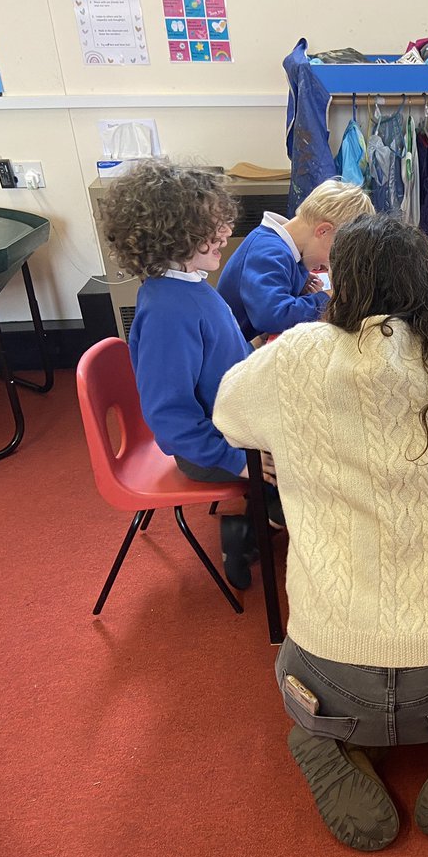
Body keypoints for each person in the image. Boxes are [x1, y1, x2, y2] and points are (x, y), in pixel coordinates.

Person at [213, 215, 428, 851]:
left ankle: (332, 740)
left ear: (337, 289)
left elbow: (229, 413)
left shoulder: (294, 355)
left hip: (331, 678)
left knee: (304, 683)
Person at [99, 159, 266, 590]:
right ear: (170, 235)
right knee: (315, 464)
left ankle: (262, 518)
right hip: (212, 451)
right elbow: (170, 417)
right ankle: (253, 529)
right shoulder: (168, 311)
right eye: (210, 230)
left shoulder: (188, 286)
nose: (226, 235)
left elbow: (220, 359)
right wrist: (237, 462)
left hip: (234, 423)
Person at [216, 178, 373, 341]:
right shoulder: (268, 253)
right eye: (336, 254)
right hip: (237, 357)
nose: (330, 264)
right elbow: (274, 317)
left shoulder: (287, 250)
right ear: (323, 231)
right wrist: (326, 297)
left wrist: (299, 280)